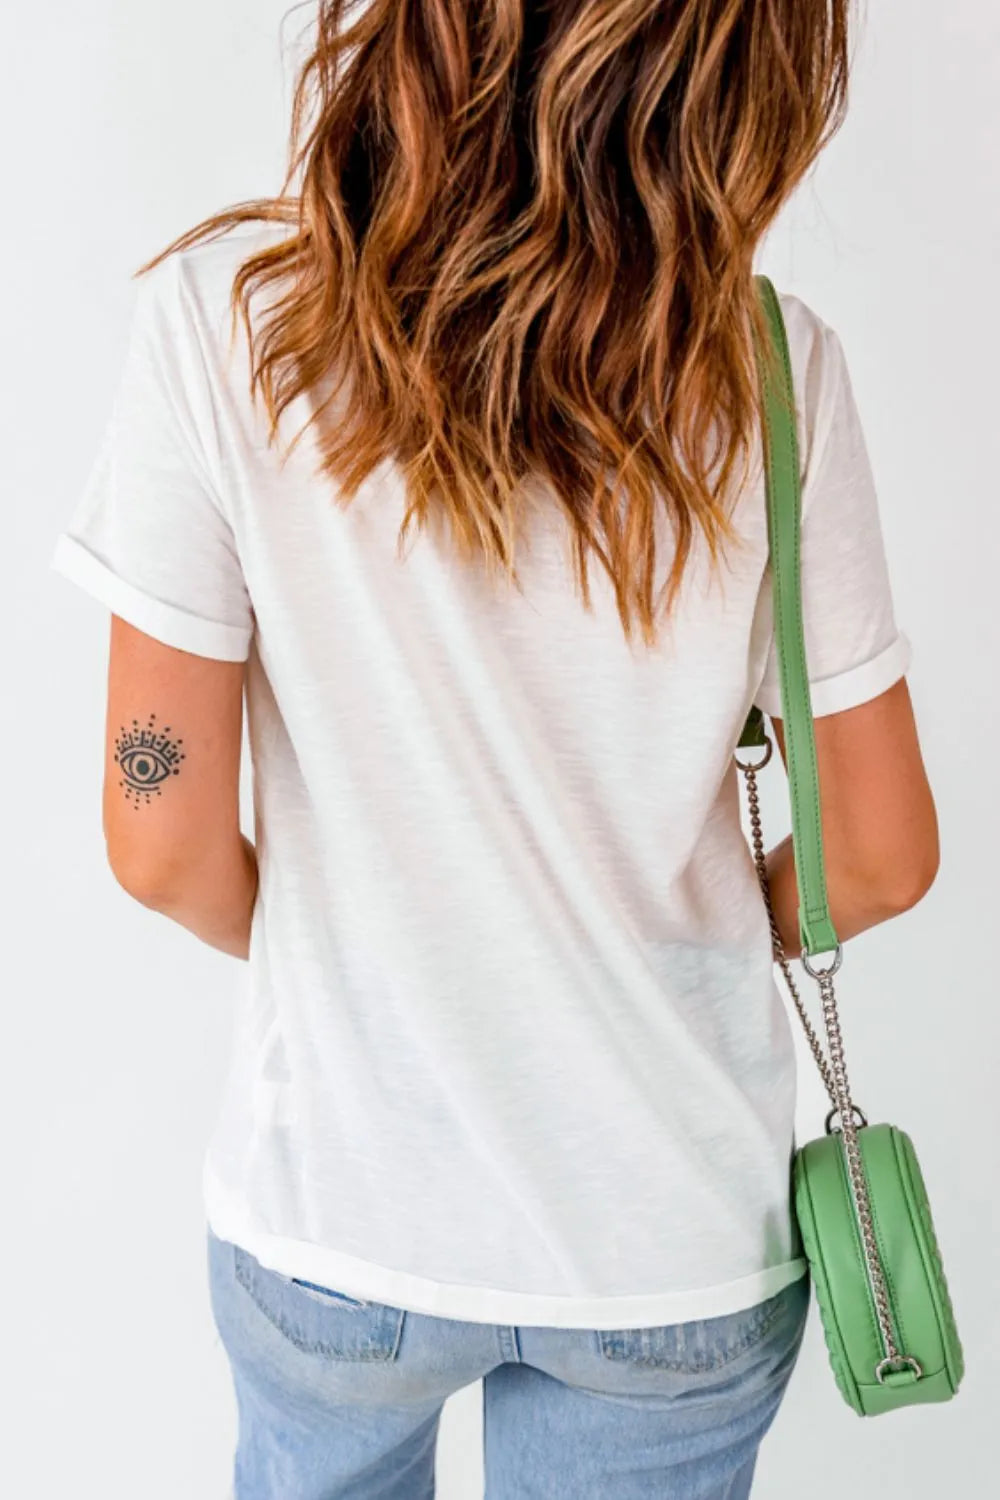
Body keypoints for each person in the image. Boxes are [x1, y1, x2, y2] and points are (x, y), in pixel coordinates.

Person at [49, 1, 938, 1495]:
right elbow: (882, 854)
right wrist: (681, 938)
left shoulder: (225, 327)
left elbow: (156, 819)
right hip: (667, 1238)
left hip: (338, 1222)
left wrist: (366, 945)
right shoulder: (774, 373)